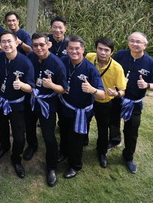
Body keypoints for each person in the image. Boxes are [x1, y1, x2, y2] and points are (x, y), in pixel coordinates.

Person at [110, 32, 153, 174]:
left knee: (132, 130)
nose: (135, 44)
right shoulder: (121, 55)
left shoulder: (151, 63)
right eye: (132, 41)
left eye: (138, 42)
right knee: (112, 121)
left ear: (145, 45)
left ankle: (128, 156)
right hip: (116, 97)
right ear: (128, 42)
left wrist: (146, 85)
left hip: (134, 102)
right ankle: (114, 140)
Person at [58, 35, 104, 180]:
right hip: (65, 106)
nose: (74, 51)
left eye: (77, 48)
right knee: (63, 131)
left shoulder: (90, 70)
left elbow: (102, 95)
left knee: (76, 139)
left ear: (83, 49)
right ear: (66, 49)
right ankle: (63, 152)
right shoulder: (63, 61)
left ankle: (75, 165)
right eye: (71, 48)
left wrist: (92, 90)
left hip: (80, 112)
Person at [0, 30, 35, 179]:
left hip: (17, 105)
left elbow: (31, 88)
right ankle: (4, 146)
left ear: (16, 42)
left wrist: (21, 85)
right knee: (2, 127)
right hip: (1, 100)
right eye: (3, 41)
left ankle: (16, 158)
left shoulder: (25, 63)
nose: (6, 44)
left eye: (9, 41)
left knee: (19, 136)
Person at [26, 32, 68, 187]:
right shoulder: (30, 57)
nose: (38, 48)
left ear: (48, 45)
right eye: (35, 45)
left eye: (41, 45)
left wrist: (51, 85)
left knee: (48, 136)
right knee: (29, 126)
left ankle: (51, 167)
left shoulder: (57, 64)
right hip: (31, 100)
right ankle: (32, 146)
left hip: (47, 104)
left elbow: (63, 89)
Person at [85, 37, 127, 168]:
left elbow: (123, 90)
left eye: (106, 50)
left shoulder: (117, 68)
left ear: (112, 52)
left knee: (103, 128)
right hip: (88, 98)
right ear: (96, 49)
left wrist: (116, 94)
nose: (103, 52)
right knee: (84, 121)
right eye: (100, 49)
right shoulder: (89, 57)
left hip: (104, 102)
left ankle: (101, 152)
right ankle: (83, 140)